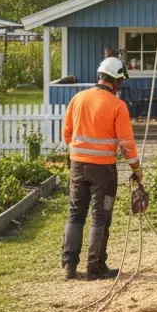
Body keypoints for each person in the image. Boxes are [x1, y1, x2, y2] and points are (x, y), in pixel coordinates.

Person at [61, 56, 142, 280]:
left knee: (75, 214)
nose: (120, 87)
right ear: (115, 81)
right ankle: (95, 268)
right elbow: (126, 144)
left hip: (77, 167)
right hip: (103, 171)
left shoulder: (78, 99)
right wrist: (136, 169)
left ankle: (69, 267)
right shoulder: (117, 105)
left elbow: (67, 134)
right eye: (120, 82)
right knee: (101, 217)